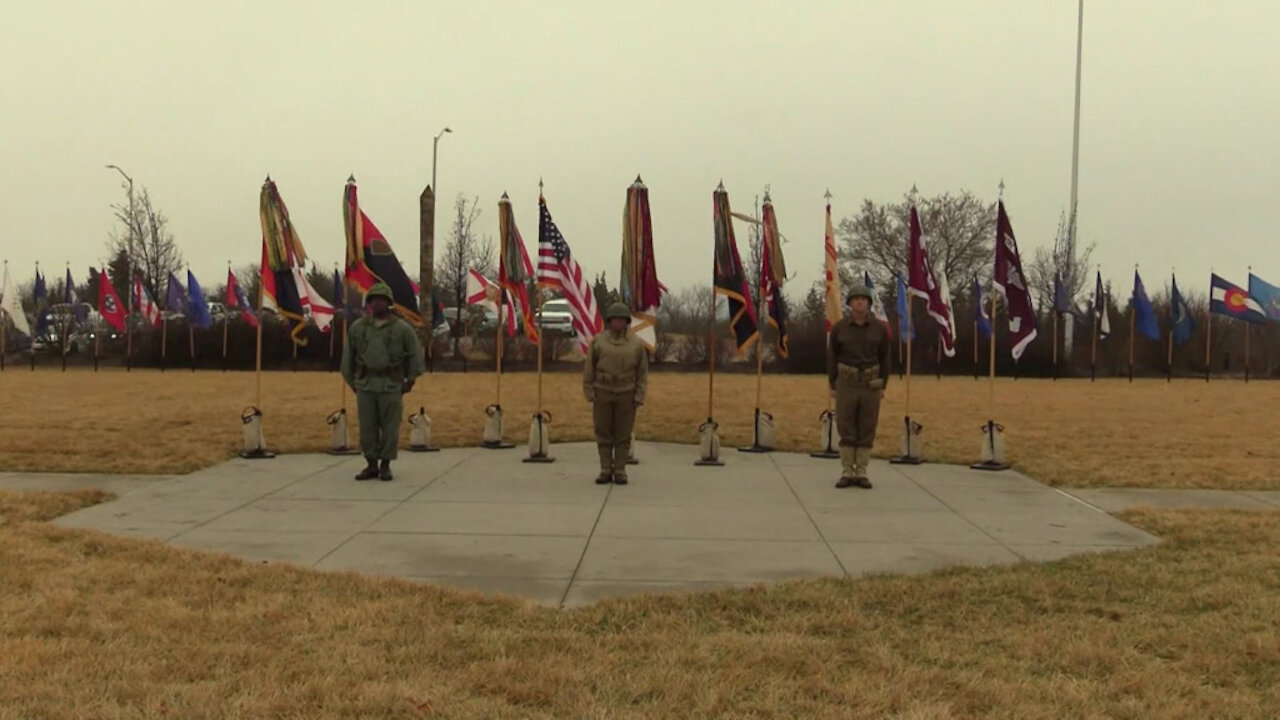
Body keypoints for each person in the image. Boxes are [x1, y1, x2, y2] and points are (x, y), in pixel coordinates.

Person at [341, 282, 424, 481]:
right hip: (366, 384)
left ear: (389, 303)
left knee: (390, 427)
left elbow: (414, 355)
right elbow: (348, 356)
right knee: (367, 427)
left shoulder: (403, 329)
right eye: (374, 300)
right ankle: (371, 464)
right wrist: (352, 380)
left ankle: (385, 464)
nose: (377, 303)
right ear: (369, 303)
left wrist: (410, 380)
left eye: (382, 300)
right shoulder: (358, 328)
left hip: (391, 384)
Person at [827, 285, 890, 488]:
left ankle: (861, 471)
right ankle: (847, 471)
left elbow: (885, 357)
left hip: (870, 383)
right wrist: (832, 383)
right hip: (846, 382)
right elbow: (832, 356)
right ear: (849, 304)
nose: (860, 302)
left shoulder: (880, 329)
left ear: (869, 303)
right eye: (856, 299)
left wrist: (883, 385)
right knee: (846, 425)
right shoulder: (839, 328)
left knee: (867, 426)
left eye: (864, 299)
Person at [583, 302, 648, 485]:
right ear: (609, 321)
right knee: (603, 432)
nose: (618, 323)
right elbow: (589, 367)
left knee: (623, 434)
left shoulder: (635, 344)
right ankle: (605, 469)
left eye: (621, 320)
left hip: (626, 393)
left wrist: (639, 395)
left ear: (626, 322)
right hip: (603, 392)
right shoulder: (598, 342)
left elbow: (642, 372)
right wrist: (588, 389)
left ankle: (620, 470)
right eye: (615, 320)